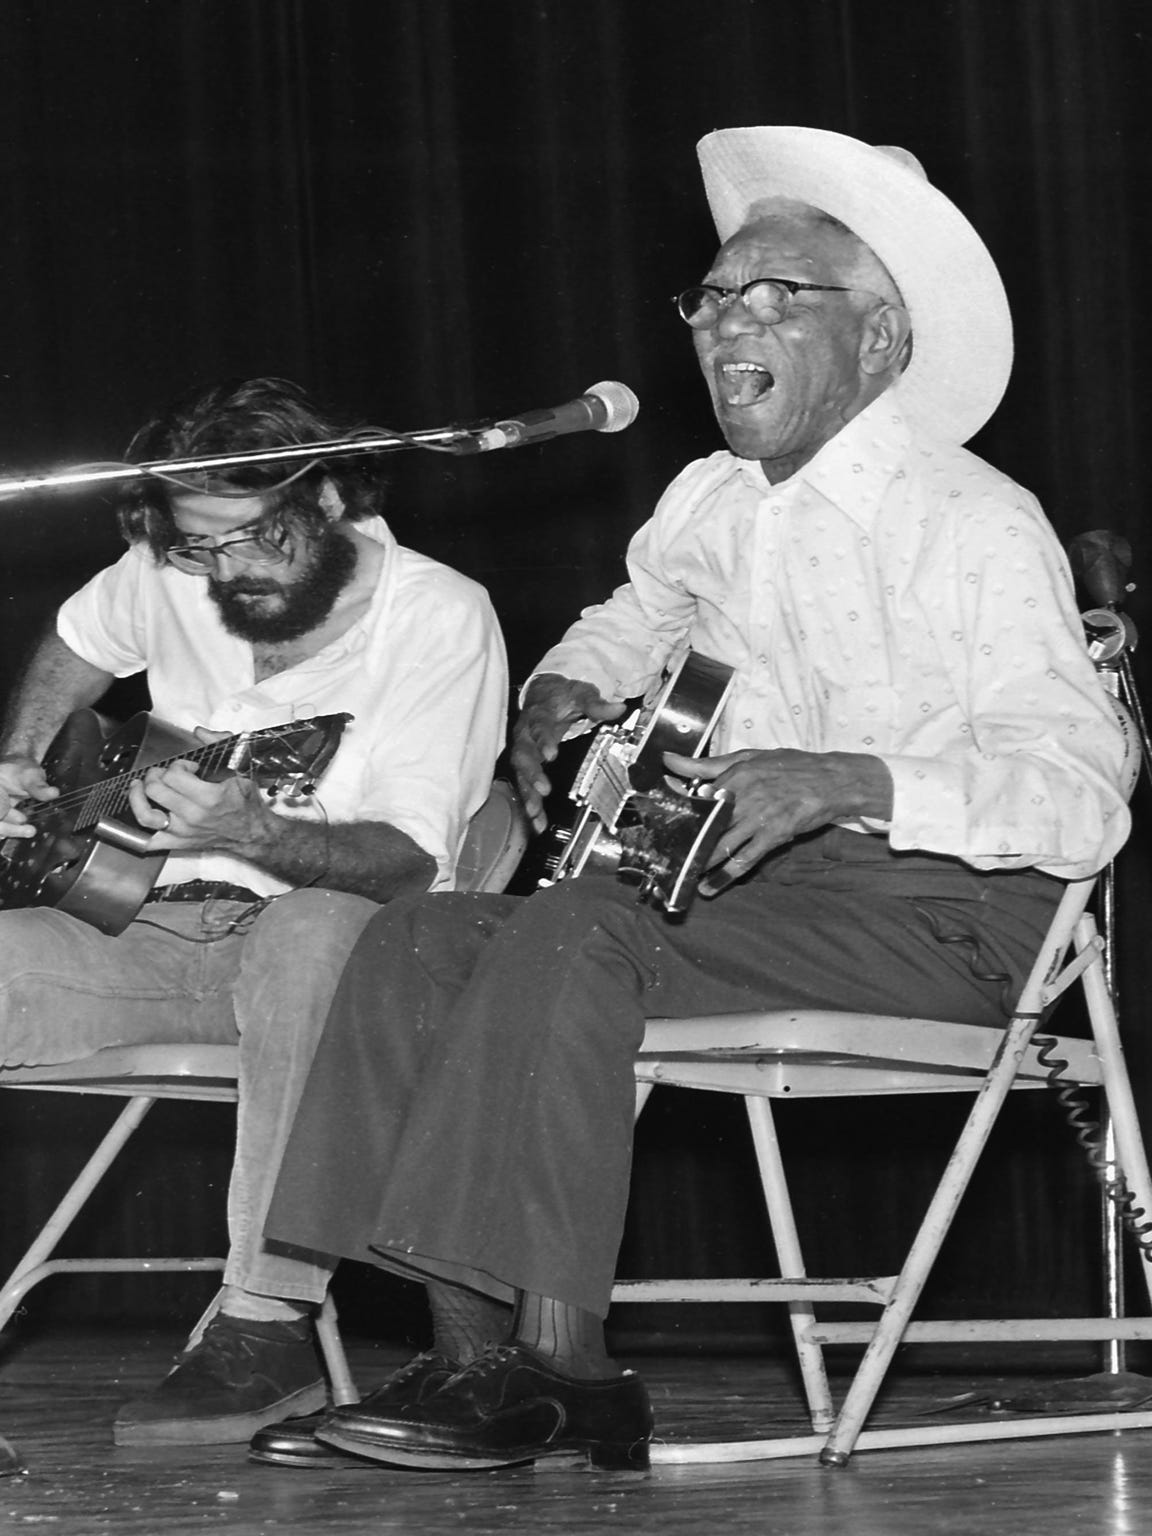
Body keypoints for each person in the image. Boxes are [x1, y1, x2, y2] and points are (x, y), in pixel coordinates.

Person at [259, 127, 1131, 1473]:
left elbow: (1085, 790)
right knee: (419, 934)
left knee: (576, 928)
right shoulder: (711, 499)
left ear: (883, 341)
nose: (734, 324)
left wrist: (854, 778)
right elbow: (632, 612)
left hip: (942, 918)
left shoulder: (974, 520)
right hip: (735, 899)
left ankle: (553, 1366)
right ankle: (489, 1364)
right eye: (717, 298)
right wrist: (562, 684)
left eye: (782, 297)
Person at [0, 376, 508, 1446]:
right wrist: (21, 754)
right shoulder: (174, 570)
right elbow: (80, 637)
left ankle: (262, 1325)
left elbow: (411, 867)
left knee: (311, 926)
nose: (223, 571)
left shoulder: (438, 617)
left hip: (331, 959)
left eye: (250, 541)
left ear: (328, 504)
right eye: (199, 547)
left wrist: (255, 834)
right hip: (136, 933)